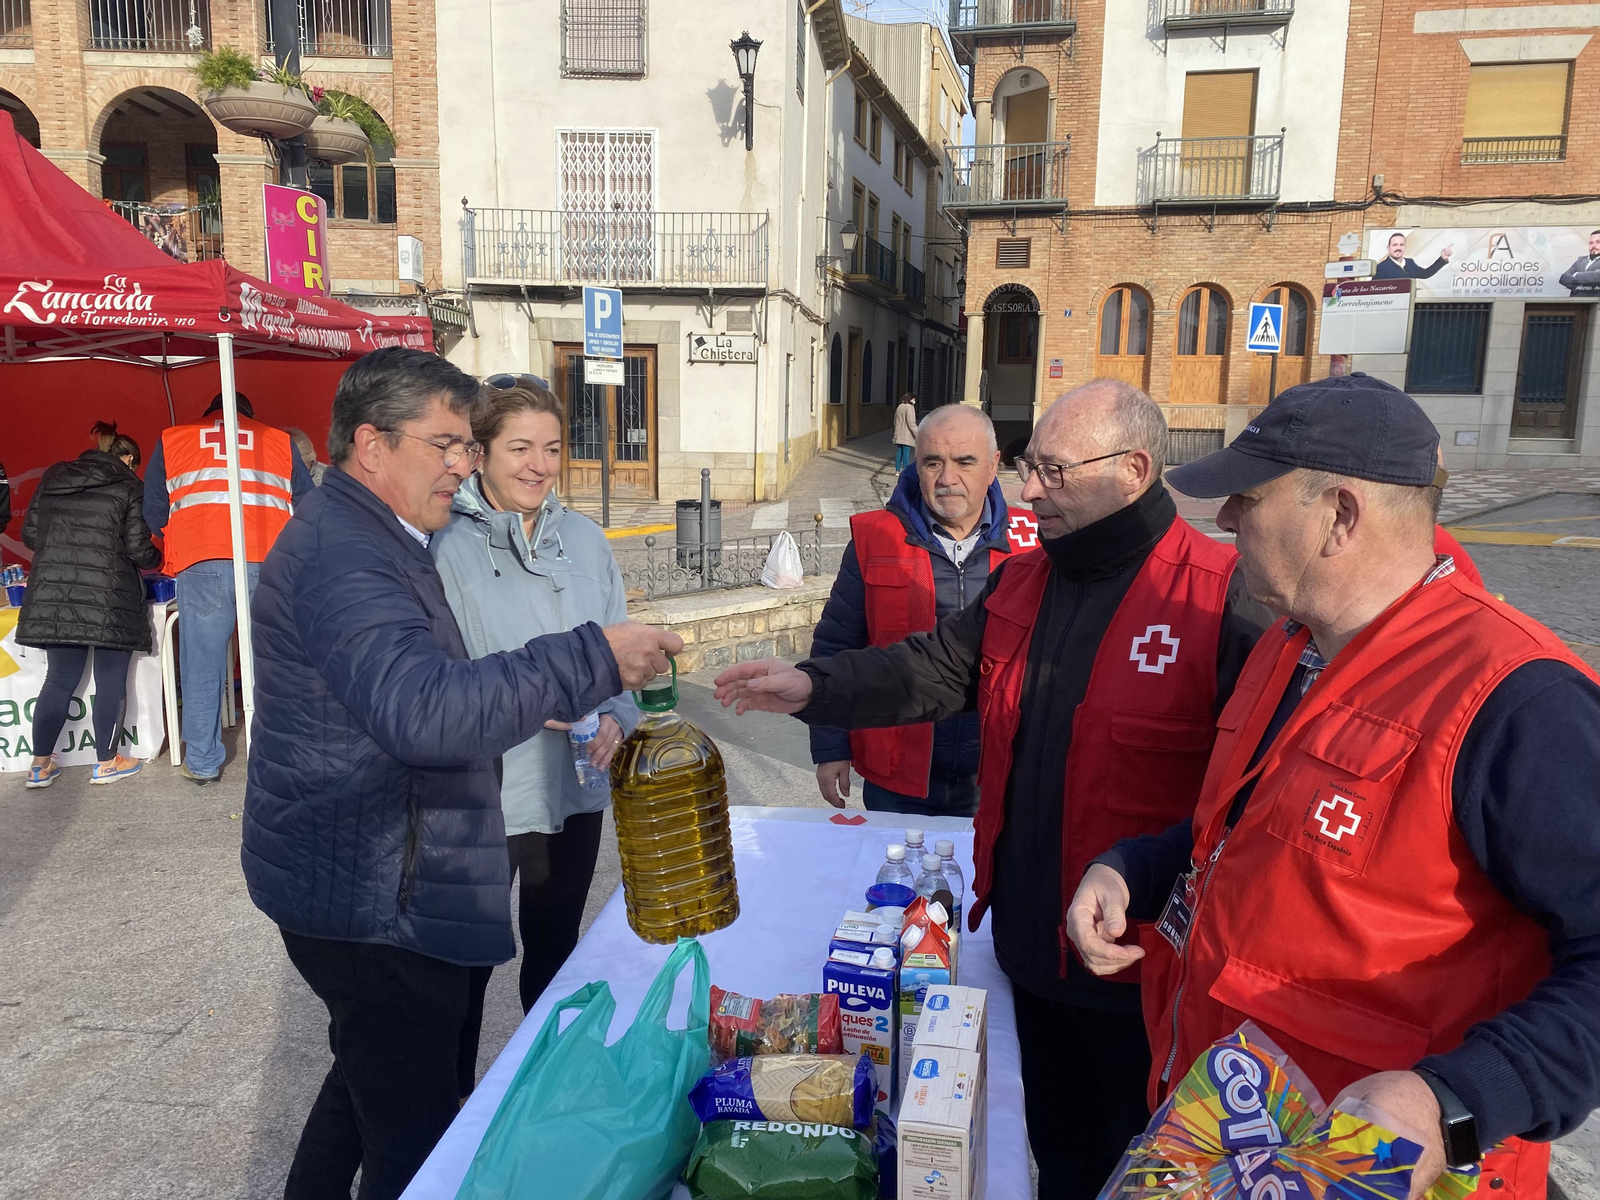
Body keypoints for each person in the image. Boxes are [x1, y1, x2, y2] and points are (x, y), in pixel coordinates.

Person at [714, 379, 1273, 1200]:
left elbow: (1254, 800)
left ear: (1133, 470)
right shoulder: (1027, 582)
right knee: (1049, 1151)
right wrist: (810, 687)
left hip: (1143, 976)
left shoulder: (1221, 594)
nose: (1027, 488)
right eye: (1027, 465)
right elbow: (927, 669)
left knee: (1133, 1171)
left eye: (1051, 470)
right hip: (1026, 950)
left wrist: (1142, 877)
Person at [1066, 373, 1600, 1200]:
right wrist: (1132, 869)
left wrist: (1449, 1099)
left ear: (1340, 516)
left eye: (1247, 497)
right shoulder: (1291, 646)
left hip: (1376, 1171)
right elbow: (1248, 832)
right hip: (1229, 1140)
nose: (1225, 518)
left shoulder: (1518, 702)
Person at [241, 348, 681, 1200]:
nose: (463, 463)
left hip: (383, 871)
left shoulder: (382, 535)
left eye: (466, 446)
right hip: (377, 890)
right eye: (447, 444)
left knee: (365, 1085)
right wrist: (590, 656)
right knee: (418, 1136)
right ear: (371, 445)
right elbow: (425, 710)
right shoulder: (347, 553)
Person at [430, 380, 639, 1013]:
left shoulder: (585, 540)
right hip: (485, 792)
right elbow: (433, 678)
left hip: (575, 785)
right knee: (464, 966)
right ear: (482, 452)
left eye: (551, 448)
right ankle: (456, 1097)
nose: (538, 466)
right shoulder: (444, 545)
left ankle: (547, 1081)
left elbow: (621, 651)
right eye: (519, 448)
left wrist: (616, 718)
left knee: (556, 954)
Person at [810, 405, 1038, 818]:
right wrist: (831, 747)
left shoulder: (1036, 545)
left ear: (992, 466)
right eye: (934, 462)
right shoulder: (874, 538)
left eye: (965, 462)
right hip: (896, 776)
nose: (947, 479)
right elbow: (834, 646)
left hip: (1002, 777)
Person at [144, 392, 314, 784]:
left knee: (201, 663)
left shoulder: (173, 439)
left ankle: (203, 761)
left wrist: (179, 536)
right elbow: (309, 507)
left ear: (210, 413)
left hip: (201, 560)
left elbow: (153, 510)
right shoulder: (278, 441)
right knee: (272, 661)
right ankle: (281, 755)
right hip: (268, 560)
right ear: (249, 415)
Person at [19, 422, 160, 786]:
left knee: (59, 678)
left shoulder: (54, 477)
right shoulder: (129, 486)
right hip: (110, 597)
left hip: (54, 594)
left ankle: (39, 766)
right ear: (127, 458)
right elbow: (137, 550)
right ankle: (106, 762)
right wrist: (156, 558)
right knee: (110, 678)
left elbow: (31, 533)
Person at [1374, 230, 1453, 280]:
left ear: (1405, 247)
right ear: (1388, 248)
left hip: (1409, 304)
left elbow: (1425, 274)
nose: (1398, 248)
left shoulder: (1410, 263)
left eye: (1401, 245)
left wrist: (1442, 259)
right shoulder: (1381, 268)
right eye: (1395, 245)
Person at [1559, 229, 1600, 296]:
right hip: (1576, 303)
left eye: (1598, 242)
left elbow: (1597, 276)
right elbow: (1564, 278)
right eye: (1591, 243)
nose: (1594, 246)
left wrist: (1576, 275)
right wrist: (1585, 285)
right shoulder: (1581, 260)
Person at [893, 392, 919, 472]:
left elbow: (895, 420)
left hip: (898, 432)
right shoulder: (910, 408)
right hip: (907, 434)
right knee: (906, 452)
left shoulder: (899, 406)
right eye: (914, 399)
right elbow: (911, 423)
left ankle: (897, 470)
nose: (914, 401)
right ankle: (906, 470)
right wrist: (918, 432)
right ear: (910, 399)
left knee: (899, 451)